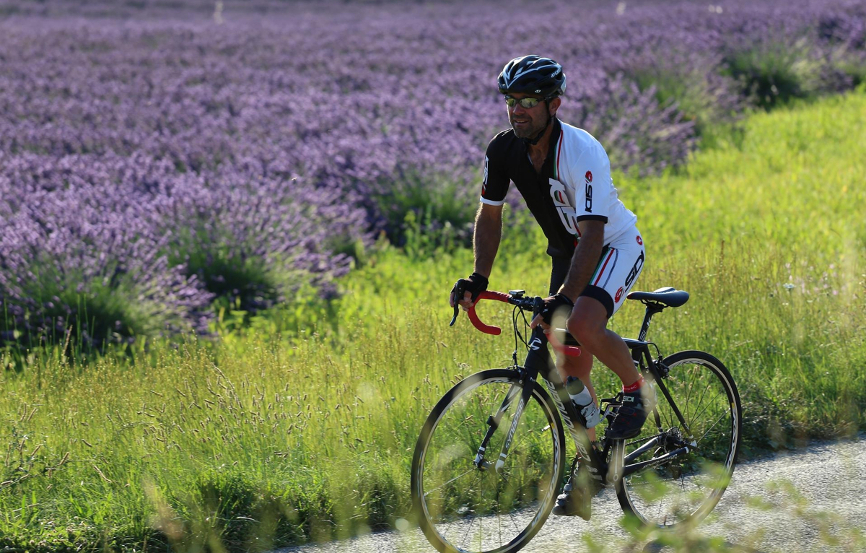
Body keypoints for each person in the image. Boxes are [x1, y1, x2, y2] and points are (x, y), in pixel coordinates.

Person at [449, 55, 651, 518]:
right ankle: (592, 468)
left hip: (612, 245)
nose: (516, 110)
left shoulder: (580, 150)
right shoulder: (503, 150)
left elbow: (594, 233)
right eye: (510, 100)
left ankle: (638, 388)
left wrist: (563, 297)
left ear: (554, 104)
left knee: (580, 319)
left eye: (528, 102)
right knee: (566, 367)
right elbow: (491, 214)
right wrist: (479, 278)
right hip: (568, 254)